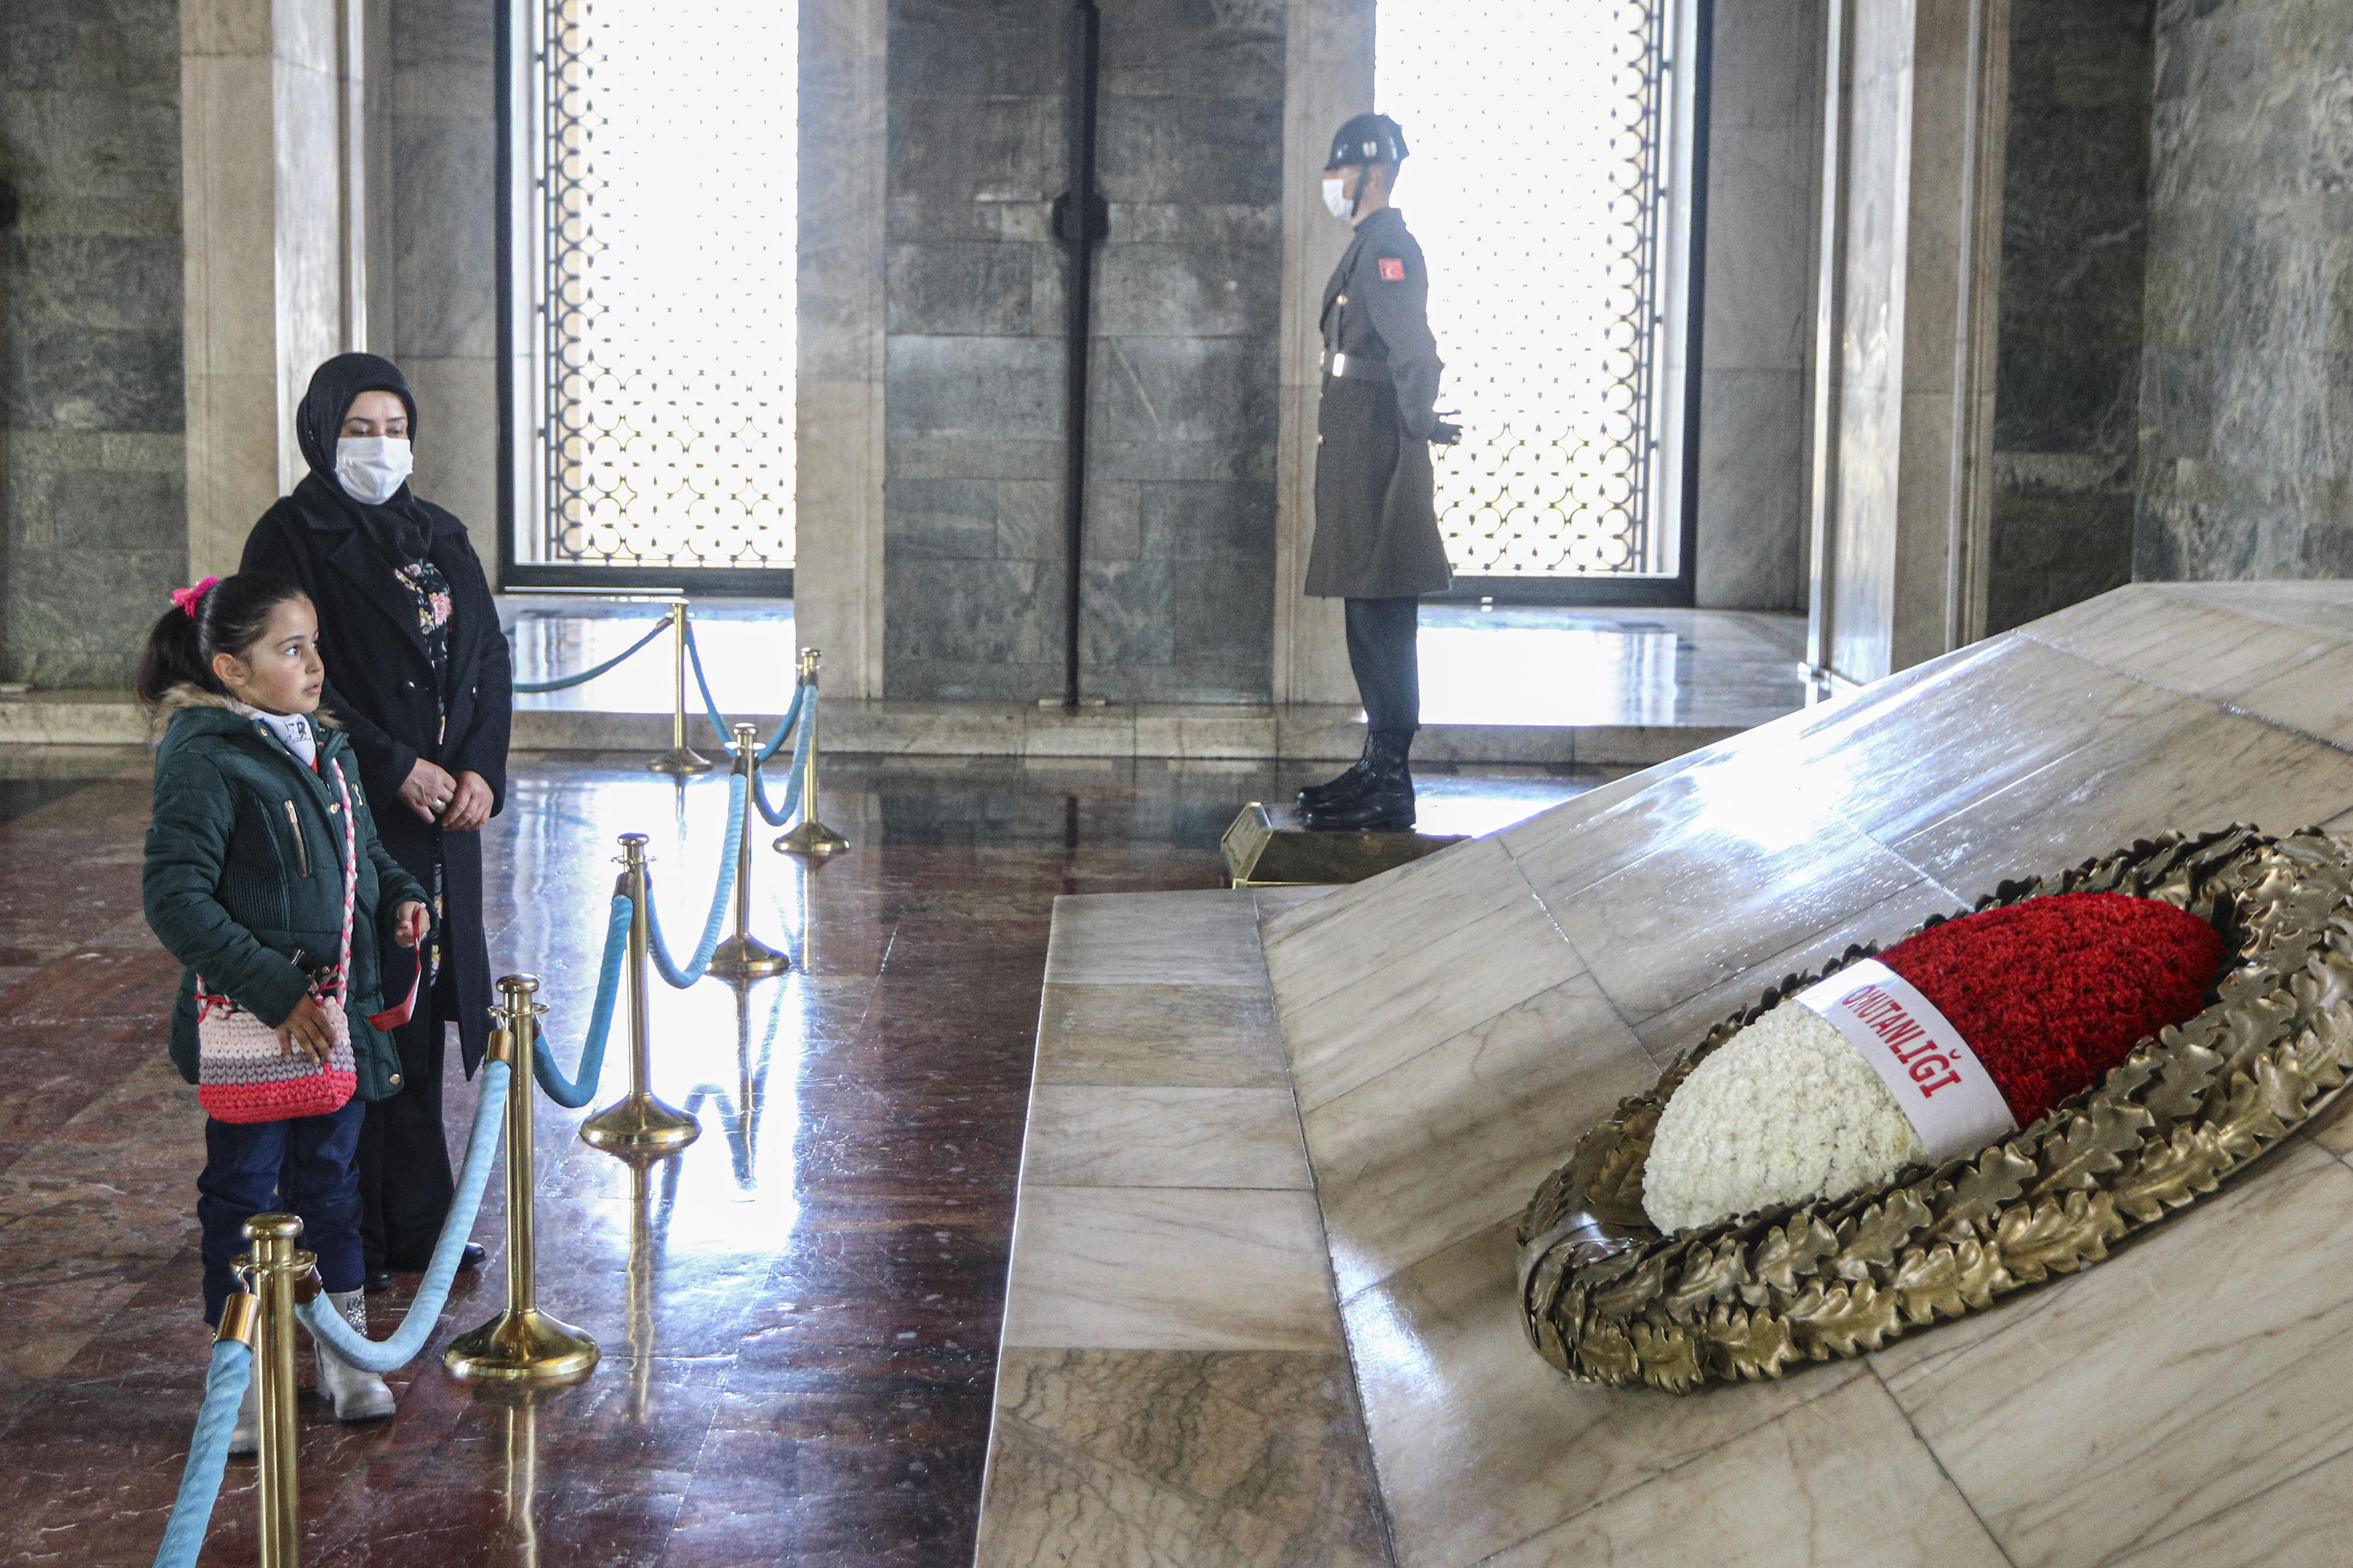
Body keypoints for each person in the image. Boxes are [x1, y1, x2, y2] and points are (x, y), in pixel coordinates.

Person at [139, 572, 435, 1447]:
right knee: (242, 1192)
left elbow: (367, 854)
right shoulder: (206, 756)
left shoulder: (328, 747)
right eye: (292, 649)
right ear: (231, 669)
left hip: (333, 1022)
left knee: (332, 1186)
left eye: (314, 645)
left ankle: (342, 1353)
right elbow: (176, 898)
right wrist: (275, 989)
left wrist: (401, 899)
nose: (315, 665)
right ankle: (238, 1374)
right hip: (259, 1025)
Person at [241, 353, 512, 1293]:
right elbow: (292, 676)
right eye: (360, 429)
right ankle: (346, 1222)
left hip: (444, 816)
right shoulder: (289, 536)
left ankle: (419, 1222)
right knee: (366, 1012)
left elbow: (486, 658)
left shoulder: (440, 534)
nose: (380, 445)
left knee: (422, 1008)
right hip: (354, 805)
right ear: (323, 433)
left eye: (394, 428)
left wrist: (481, 769)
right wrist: (395, 766)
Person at [1296, 112, 1456, 833]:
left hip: (1379, 460)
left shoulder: (1388, 245)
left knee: (1383, 615)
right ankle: (1376, 764)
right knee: (1367, 612)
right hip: (1361, 453)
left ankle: (1391, 778)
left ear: (1371, 174)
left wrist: (1415, 427)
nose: (1331, 181)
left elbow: (1414, 350)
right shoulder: (1368, 245)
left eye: (1339, 169)